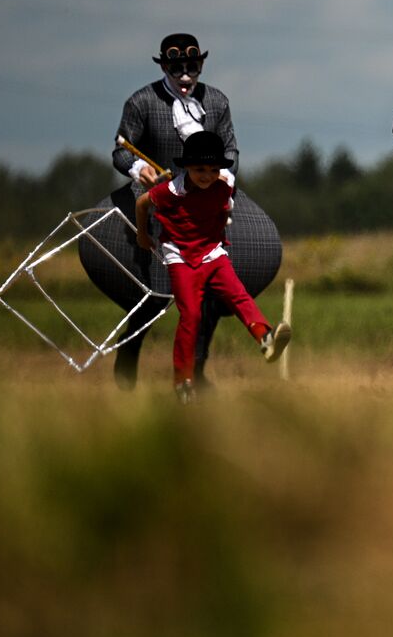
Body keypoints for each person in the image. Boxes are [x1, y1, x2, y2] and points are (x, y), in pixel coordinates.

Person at [94, 32, 281, 390]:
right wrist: (139, 170)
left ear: (200, 65)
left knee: (216, 296)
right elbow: (121, 150)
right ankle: (129, 359)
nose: (184, 74)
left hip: (210, 198)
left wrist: (219, 181)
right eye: (176, 67)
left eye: (191, 66)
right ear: (164, 65)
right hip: (161, 199)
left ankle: (198, 369)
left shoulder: (217, 101)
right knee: (156, 297)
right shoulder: (142, 102)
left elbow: (231, 149)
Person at [135, 131, 291, 403]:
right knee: (191, 316)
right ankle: (183, 381)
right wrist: (142, 234)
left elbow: (223, 210)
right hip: (180, 256)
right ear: (186, 168)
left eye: (212, 169)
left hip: (212, 253)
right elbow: (142, 202)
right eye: (199, 170)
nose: (206, 175)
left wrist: (218, 231)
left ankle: (266, 340)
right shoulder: (170, 190)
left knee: (237, 294)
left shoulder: (223, 188)